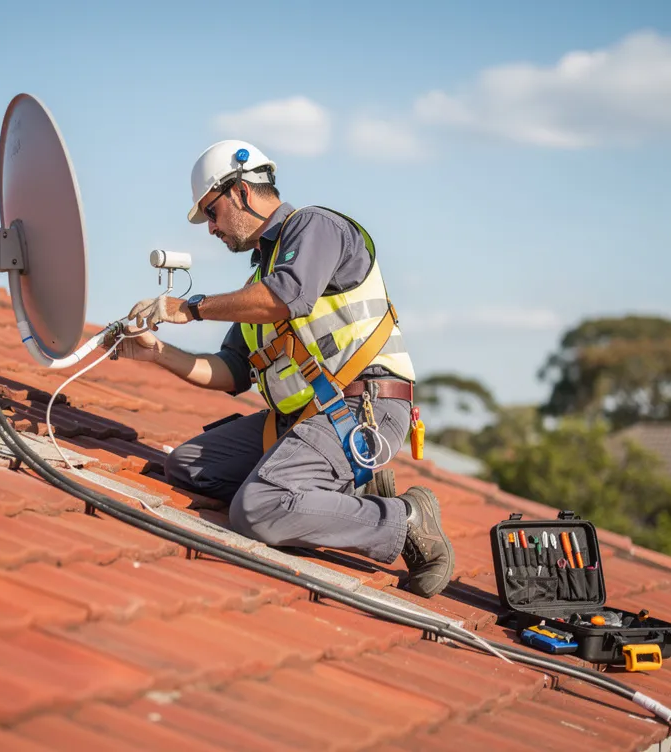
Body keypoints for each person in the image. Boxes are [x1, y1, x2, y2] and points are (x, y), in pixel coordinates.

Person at [109, 140, 455, 598]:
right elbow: (232, 371)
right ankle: (353, 482)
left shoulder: (315, 227)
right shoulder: (256, 284)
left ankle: (406, 520)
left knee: (257, 508)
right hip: (306, 421)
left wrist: (189, 309)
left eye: (211, 213)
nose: (210, 228)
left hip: (363, 407)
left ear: (240, 191)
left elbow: (288, 296)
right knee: (188, 467)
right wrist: (157, 353)